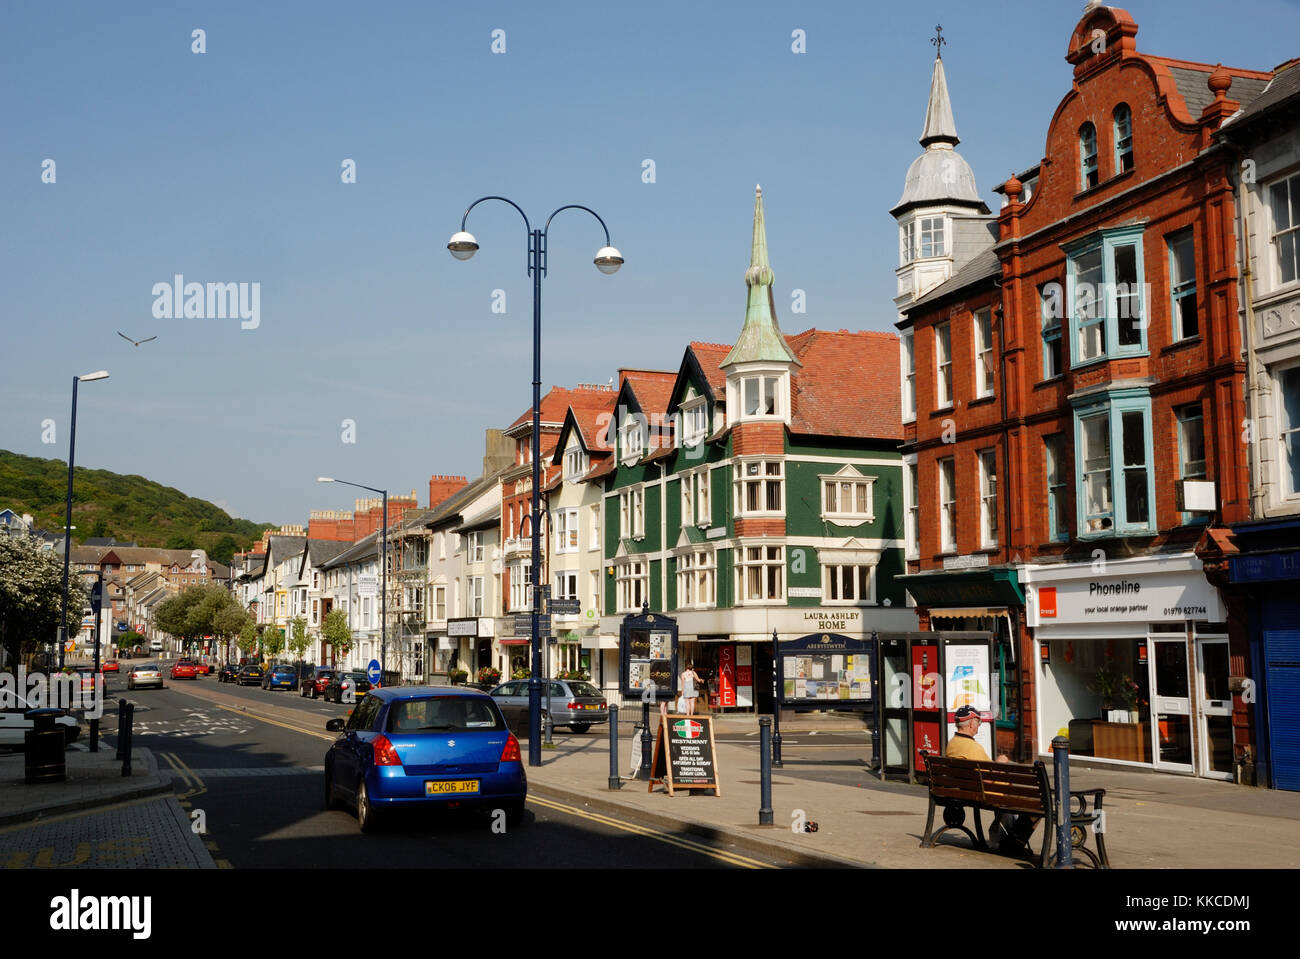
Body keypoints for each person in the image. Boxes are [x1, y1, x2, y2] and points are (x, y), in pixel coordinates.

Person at [945, 705, 1031, 851]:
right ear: (971, 723)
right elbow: (988, 780)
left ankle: (1004, 837)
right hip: (985, 792)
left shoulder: (952, 744)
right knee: (1031, 804)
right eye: (978, 723)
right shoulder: (973, 747)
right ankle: (1010, 843)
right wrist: (1000, 764)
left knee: (1012, 794)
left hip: (967, 791)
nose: (978, 726)